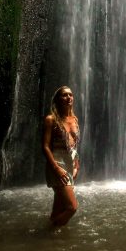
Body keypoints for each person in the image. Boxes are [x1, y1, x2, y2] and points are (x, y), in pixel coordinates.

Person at [42, 85, 80, 227]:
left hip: (70, 166)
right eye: (64, 95)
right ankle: (48, 234)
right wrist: (56, 168)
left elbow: (74, 145)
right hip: (57, 166)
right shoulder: (51, 119)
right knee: (71, 207)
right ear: (57, 99)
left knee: (59, 209)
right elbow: (45, 146)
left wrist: (77, 163)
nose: (68, 97)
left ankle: (54, 242)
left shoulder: (75, 119)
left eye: (70, 95)